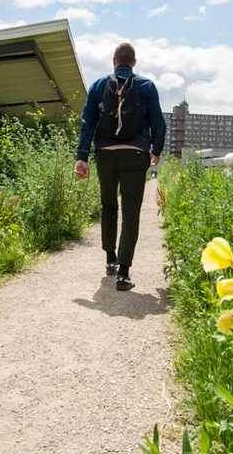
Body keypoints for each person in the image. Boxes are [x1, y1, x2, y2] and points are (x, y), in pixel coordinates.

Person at [74, 43, 166, 291]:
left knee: (108, 206)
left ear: (114, 61)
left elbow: (87, 122)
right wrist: (155, 150)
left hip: (105, 154)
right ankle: (123, 274)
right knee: (131, 211)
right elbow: (158, 122)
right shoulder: (146, 86)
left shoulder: (98, 85)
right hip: (135, 155)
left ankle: (109, 259)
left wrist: (81, 156)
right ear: (133, 63)